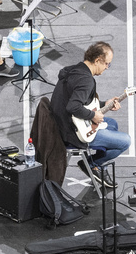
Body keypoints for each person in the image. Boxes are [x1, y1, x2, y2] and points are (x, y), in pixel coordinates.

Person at [51, 41, 130, 185]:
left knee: (112, 124)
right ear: (97, 60)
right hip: (72, 133)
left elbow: (80, 101)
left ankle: (94, 165)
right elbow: (73, 106)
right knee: (125, 141)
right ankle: (93, 163)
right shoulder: (86, 81)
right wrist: (93, 115)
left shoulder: (75, 70)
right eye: (106, 63)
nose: (107, 67)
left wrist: (104, 104)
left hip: (61, 124)